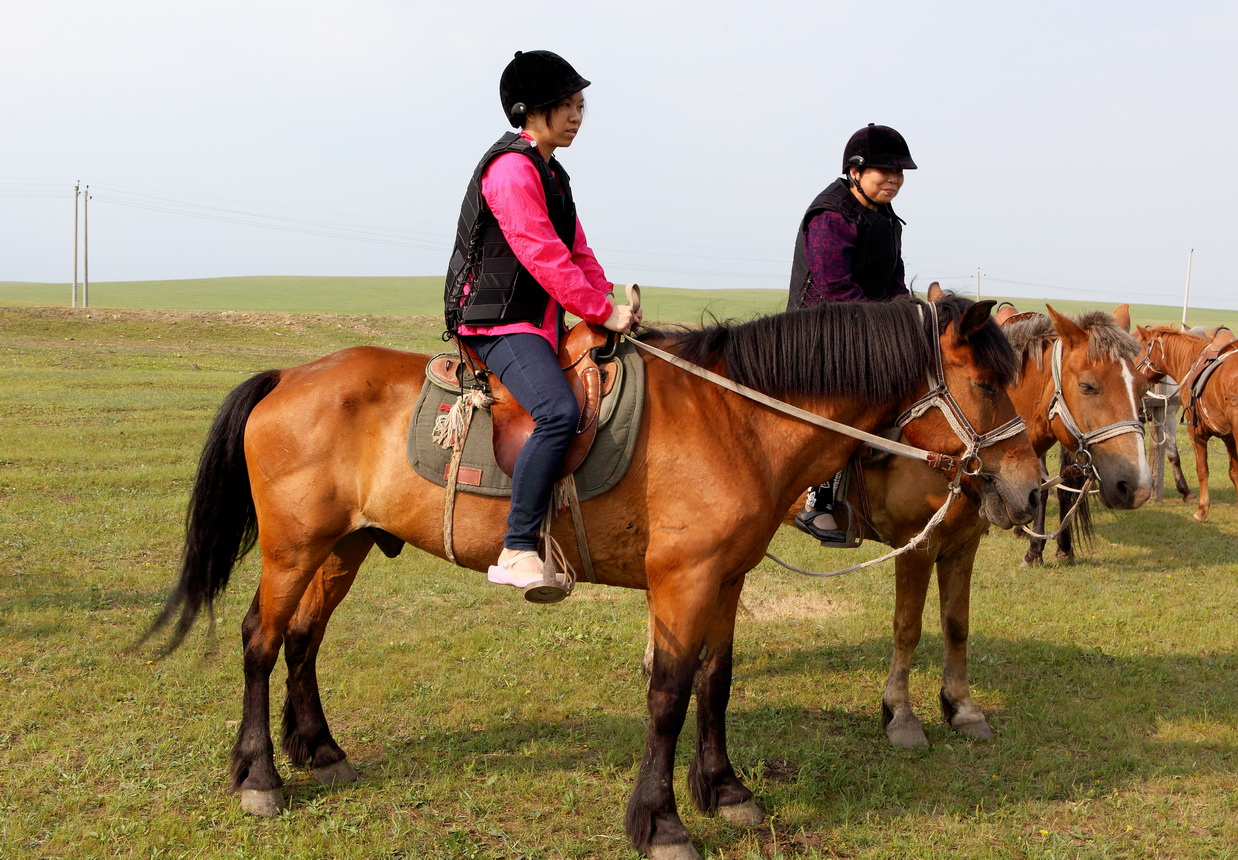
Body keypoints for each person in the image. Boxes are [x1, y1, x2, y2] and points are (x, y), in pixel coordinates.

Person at [443, 50, 640, 603]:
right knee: (557, 412)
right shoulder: (510, 170)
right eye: (566, 105)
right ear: (531, 111)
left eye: (581, 105)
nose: (577, 115)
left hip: (537, 323)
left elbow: (577, 250)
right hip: (498, 325)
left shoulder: (552, 173)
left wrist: (605, 301)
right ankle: (516, 547)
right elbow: (541, 255)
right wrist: (601, 311)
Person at [787, 123, 917, 544]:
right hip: (820, 333)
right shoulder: (831, 215)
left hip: (868, 329)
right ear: (856, 171)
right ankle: (817, 504)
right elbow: (835, 288)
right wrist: (887, 326)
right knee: (844, 404)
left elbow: (895, 280)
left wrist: (909, 315)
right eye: (885, 171)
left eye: (900, 173)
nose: (894, 180)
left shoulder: (887, 218)